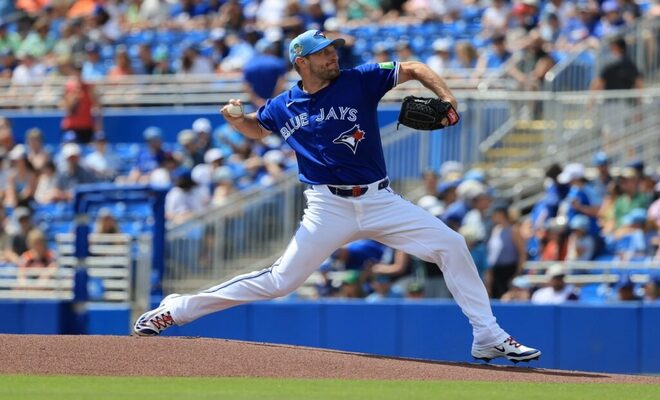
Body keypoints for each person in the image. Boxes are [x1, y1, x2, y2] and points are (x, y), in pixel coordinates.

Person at [134, 29, 541, 363]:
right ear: (301, 62)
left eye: (333, 50)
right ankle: (178, 309)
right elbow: (259, 128)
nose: (333, 56)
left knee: (451, 244)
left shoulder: (359, 79)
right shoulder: (283, 105)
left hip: (380, 200)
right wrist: (237, 120)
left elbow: (414, 68)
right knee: (280, 282)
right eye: (324, 53)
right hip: (327, 207)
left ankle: (487, 335)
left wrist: (448, 98)